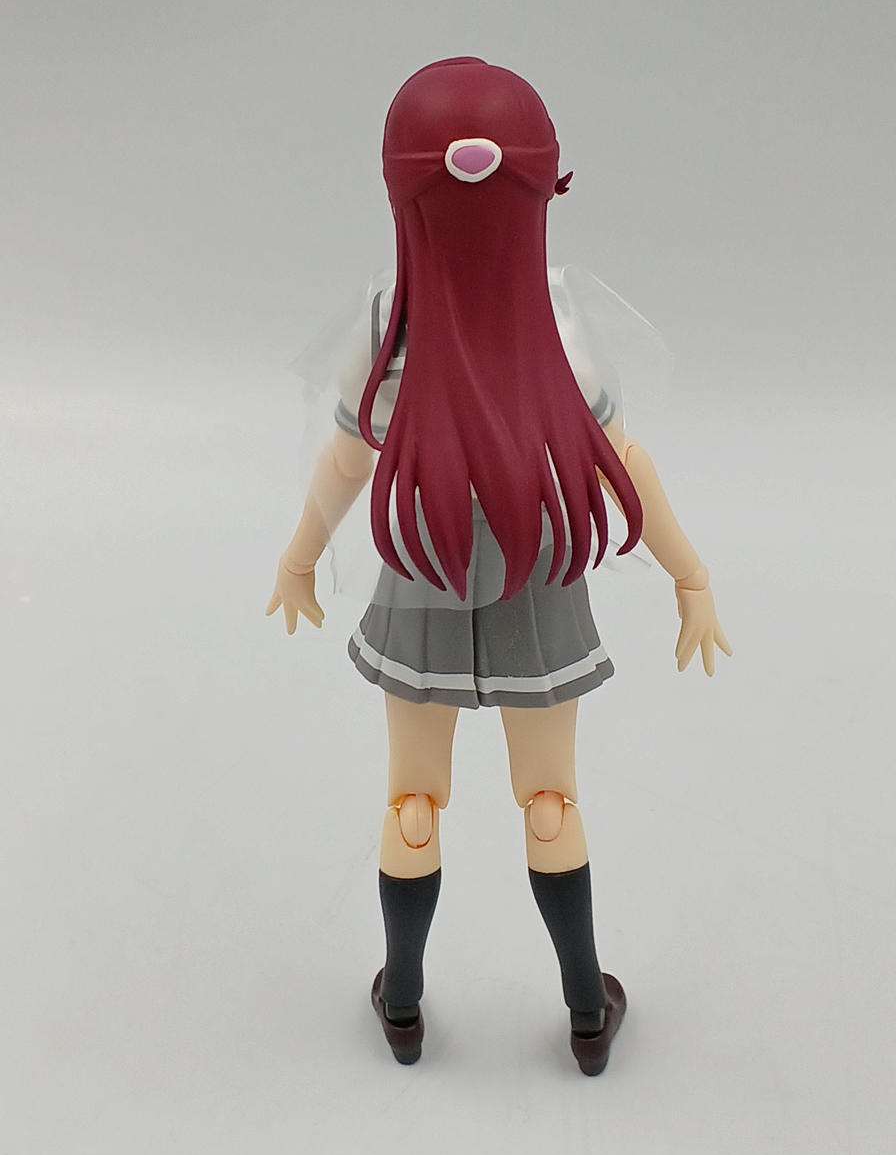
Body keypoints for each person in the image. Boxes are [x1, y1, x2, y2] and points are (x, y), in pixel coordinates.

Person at [266, 57, 731, 1075]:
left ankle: (401, 1001)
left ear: (400, 189)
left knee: (411, 801)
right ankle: (584, 1009)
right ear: (542, 188)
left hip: (421, 565)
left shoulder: (384, 320)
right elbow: (624, 463)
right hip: (539, 569)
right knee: (551, 797)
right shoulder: (559, 319)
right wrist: (689, 574)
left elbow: (345, 460)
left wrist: (300, 557)